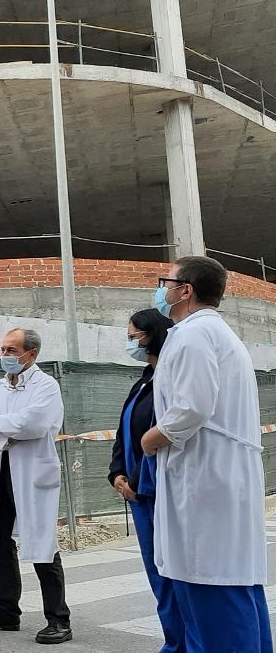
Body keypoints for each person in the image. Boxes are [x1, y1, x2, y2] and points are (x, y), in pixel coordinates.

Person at [140, 256, 271, 653]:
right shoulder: (215, 333)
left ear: (186, 290)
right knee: (234, 585)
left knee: (212, 588)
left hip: (205, 480)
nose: (162, 291)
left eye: (167, 283)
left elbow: (192, 407)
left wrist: (151, 439)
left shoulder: (192, 335)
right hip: (219, 477)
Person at [0, 328, 72, 644]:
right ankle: (5, 611)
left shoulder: (47, 386)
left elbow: (35, 424)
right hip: (1, 470)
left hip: (32, 473)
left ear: (31, 354)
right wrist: (9, 431)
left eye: (11, 350)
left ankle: (58, 619)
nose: (5, 356)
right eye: (3, 349)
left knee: (42, 544)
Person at [106, 308, 181, 653]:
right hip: (137, 492)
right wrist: (116, 474)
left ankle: (181, 643)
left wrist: (135, 482)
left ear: (152, 334)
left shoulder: (168, 378)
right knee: (157, 573)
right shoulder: (144, 380)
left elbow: (158, 435)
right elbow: (125, 432)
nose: (130, 343)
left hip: (155, 490)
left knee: (172, 573)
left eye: (133, 336)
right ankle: (175, 640)